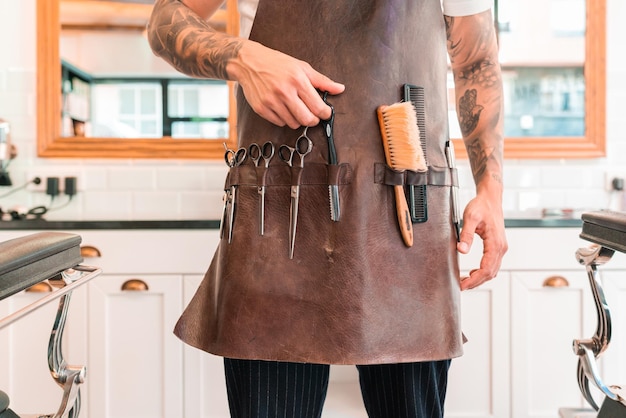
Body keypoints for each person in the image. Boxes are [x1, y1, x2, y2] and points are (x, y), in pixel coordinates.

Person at [147, 0, 508, 416]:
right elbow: (163, 21)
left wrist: (491, 192)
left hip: (407, 227)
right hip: (277, 228)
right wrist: (243, 57)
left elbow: (477, 61)